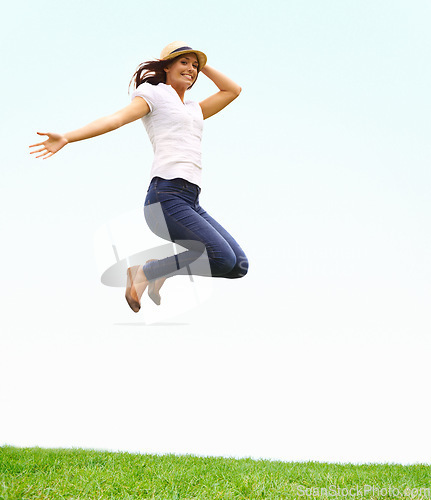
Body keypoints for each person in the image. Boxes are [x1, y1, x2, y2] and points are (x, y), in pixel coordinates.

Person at [29, 41, 249, 313]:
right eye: (183, 62)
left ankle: (157, 271)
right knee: (221, 258)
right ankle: (148, 271)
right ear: (166, 66)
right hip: (166, 196)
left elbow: (232, 90)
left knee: (237, 265)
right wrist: (67, 137)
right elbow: (116, 119)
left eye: (195, 65)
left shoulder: (194, 109)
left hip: (191, 200)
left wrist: (202, 65)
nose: (191, 69)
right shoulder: (154, 94)